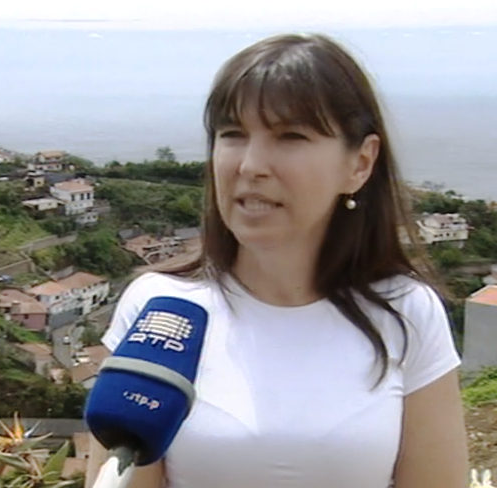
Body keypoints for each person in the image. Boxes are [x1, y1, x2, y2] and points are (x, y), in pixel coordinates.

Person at [85, 33, 469, 488]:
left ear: (360, 164)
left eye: (291, 136)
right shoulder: (161, 309)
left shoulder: (407, 311)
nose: (251, 165)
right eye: (233, 135)